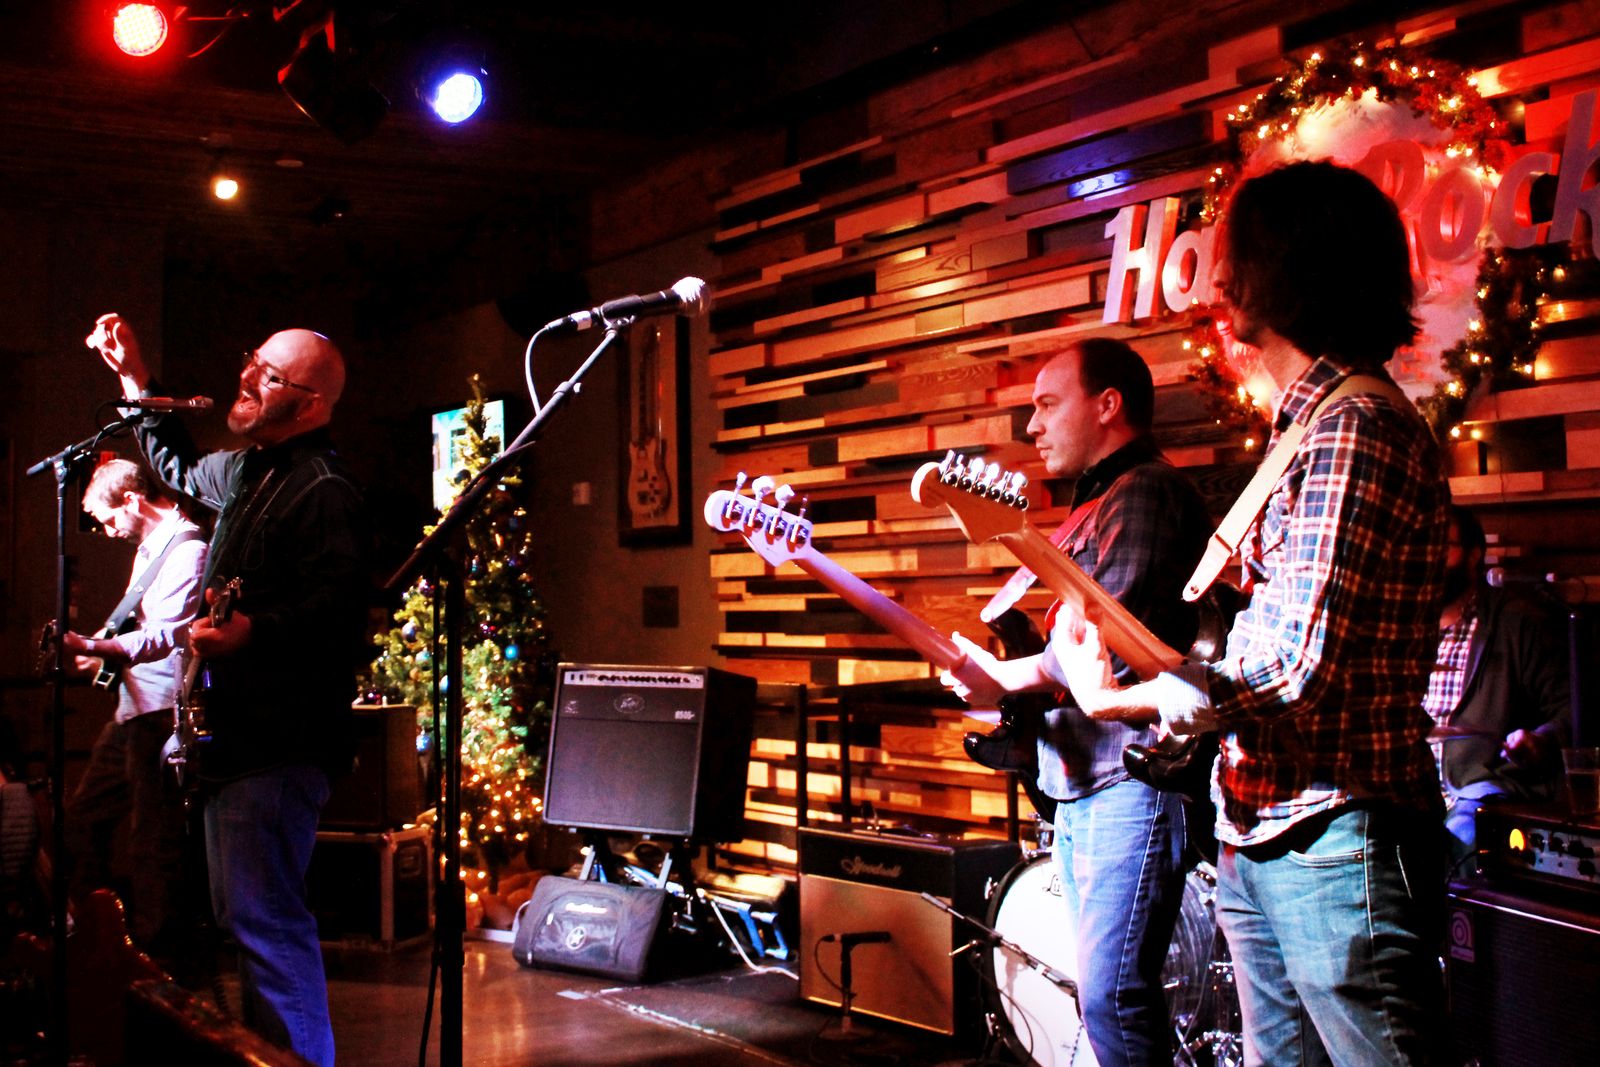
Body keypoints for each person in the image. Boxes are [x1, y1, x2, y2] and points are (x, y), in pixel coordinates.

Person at [1048, 161, 1452, 1066]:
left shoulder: (1355, 425)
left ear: (1293, 266)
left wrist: (1115, 698)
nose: (1218, 274)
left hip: (1335, 834)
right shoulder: (1304, 427)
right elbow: (1260, 630)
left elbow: (1293, 664)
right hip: (1267, 824)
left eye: (1237, 250)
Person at [86, 313, 368, 1067]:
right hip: (239, 743)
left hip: (279, 746)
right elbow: (179, 466)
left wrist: (255, 632)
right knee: (247, 922)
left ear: (311, 403)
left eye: (269, 375)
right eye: (252, 360)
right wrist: (133, 378)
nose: (246, 377)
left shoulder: (325, 489)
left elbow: (341, 614)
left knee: (267, 926)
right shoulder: (249, 470)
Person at [942, 337, 1211, 1066]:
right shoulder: (1097, 506)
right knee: (1101, 997)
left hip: (1131, 775)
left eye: (1046, 404)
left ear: (1107, 405)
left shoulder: (1145, 492)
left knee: (1114, 997)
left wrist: (1007, 677)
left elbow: (1109, 641)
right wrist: (1001, 674)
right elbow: (1073, 646)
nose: (1032, 425)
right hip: (1087, 778)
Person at [59, 458, 207, 964]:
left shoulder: (187, 548)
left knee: (152, 842)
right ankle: (97, 938)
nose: (108, 532)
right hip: (132, 709)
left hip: (162, 711)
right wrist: (98, 648)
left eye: (108, 520)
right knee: (81, 820)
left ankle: (156, 965)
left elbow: (165, 635)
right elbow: (135, 623)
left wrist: (97, 647)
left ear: (132, 500)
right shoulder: (150, 548)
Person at [1428, 504, 1570, 865]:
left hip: (1481, 788)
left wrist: (1541, 739)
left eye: (1441, 546)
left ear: (1474, 555)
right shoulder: (1401, 627)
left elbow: (1571, 708)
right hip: (1414, 793)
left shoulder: (1516, 622)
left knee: (1458, 840)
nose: (1427, 558)